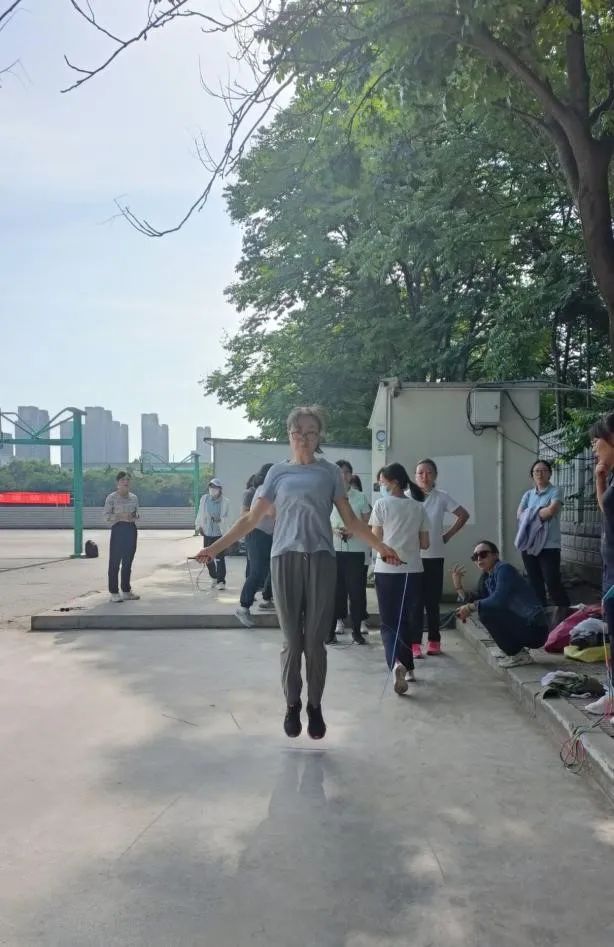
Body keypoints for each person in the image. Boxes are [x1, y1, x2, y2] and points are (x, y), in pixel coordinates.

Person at [195, 405, 400, 739]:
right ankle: (292, 703)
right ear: (289, 435)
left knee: (315, 642)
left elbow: (350, 520)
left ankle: (314, 706)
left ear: (319, 437)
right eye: (297, 432)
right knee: (292, 640)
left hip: (321, 559)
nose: (303, 438)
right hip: (284, 558)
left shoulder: (329, 473)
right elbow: (251, 519)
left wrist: (381, 546)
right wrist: (214, 548)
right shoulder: (277, 473)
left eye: (310, 432)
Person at [369, 463, 430, 695]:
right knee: (405, 619)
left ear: (394, 482)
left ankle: (397, 664)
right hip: (412, 571)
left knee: (389, 622)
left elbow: (376, 540)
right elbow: (425, 544)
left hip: (386, 570)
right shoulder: (418, 507)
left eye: (383, 482)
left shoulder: (381, 505)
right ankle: (409, 667)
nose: (381, 486)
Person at [454, 540, 548, 668]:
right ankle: (516, 651)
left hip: (535, 628)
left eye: (483, 554)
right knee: (484, 608)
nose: (479, 559)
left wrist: (470, 607)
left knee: (486, 612)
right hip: (522, 625)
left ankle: (518, 655)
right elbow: (478, 598)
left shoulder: (505, 570)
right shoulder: (487, 577)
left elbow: (498, 599)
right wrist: (458, 586)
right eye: (475, 556)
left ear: (495, 555)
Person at [413, 459, 469, 657]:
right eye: (420, 473)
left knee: (432, 601)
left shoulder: (441, 497)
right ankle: (414, 642)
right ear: (415, 476)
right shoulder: (407, 496)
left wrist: (447, 535)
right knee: (415, 602)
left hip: (434, 555)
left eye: (429, 472)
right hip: (412, 557)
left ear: (435, 475)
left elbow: (463, 515)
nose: (424, 476)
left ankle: (434, 640)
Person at [586, 413, 614, 715]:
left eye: (597, 441)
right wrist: (600, 478)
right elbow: (607, 508)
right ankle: (612, 694)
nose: (594, 448)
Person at [328, 460, 372, 645]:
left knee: (356, 592)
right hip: (334, 550)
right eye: (339, 472)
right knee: (335, 592)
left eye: (346, 472)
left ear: (351, 475)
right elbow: (323, 521)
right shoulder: (328, 496)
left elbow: (368, 522)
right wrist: (334, 530)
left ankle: (356, 631)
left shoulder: (360, 497)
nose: (343, 476)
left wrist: (354, 530)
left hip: (356, 551)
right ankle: (330, 631)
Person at [517, 459, 569, 611]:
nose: (540, 474)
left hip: (549, 545)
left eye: (544, 470)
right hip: (529, 545)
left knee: (552, 582)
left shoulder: (556, 491)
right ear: (532, 475)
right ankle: (541, 615)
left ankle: (566, 613)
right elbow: (520, 515)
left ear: (550, 474)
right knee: (534, 583)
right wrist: (540, 511)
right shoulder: (528, 495)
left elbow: (552, 511)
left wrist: (530, 513)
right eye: (536, 471)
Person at [235, 463, 275, 627]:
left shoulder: (269, 490)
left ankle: (267, 598)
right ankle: (243, 607)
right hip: (256, 534)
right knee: (257, 571)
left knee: (267, 570)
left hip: (266, 534)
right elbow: (273, 512)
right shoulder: (264, 490)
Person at [103, 471, 140, 603]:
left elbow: (137, 514)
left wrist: (134, 516)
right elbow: (106, 516)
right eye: (123, 480)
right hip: (118, 529)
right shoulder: (111, 498)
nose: (126, 482)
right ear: (117, 483)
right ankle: (114, 592)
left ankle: (126, 590)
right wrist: (120, 516)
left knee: (127, 562)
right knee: (115, 562)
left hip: (131, 529)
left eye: (128, 480)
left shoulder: (134, 498)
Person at [195, 478, 230, 590]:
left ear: (220, 489)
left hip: (219, 533)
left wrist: (220, 520)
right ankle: (214, 577)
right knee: (207, 557)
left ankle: (221, 581)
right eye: (211, 487)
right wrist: (199, 526)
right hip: (207, 532)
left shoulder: (225, 502)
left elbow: (228, 517)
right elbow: (200, 513)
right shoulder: (204, 499)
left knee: (220, 558)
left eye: (215, 487)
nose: (212, 489)